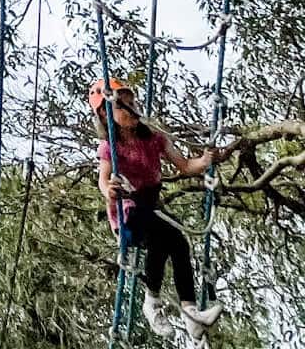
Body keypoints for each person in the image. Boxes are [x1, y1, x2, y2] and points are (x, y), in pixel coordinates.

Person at [92, 78, 223, 339]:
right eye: (123, 107)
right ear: (107, 115)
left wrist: (206, 161)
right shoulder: (110, 147)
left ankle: (188, 313)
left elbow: (185, 166)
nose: (131, 111)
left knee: (175, 244)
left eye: (132, 104)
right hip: (129, 210)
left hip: (150, 206)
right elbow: (102, 179)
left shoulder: (153, 139)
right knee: (170, 237)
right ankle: (158, 305)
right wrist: (109, 190)